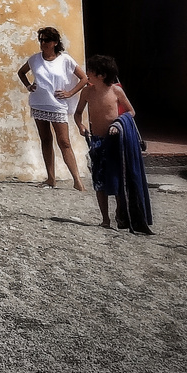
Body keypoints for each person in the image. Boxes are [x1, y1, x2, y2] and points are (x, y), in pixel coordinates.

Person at [74, 53, 142, 229]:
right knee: (99, 181)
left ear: (101, 75)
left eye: (90, 71)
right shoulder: (87, 92)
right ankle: (105, 219)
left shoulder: (116, 91)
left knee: (117, 179)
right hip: (97, 142)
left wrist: (119, 124)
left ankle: (120, 212)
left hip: (115, 141)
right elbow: (78, 112)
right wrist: (81, 126)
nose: (87, 73)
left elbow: (131, 112)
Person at [16, 26, 87, 189]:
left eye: (46, 40)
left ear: (55, 42)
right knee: (46, 140)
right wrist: (28, 86)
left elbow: (83, 78)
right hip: (39, 102)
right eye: (41, 39)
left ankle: (77, 180)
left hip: (58, 105)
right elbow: (21, 72)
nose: (43, 43)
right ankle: (50, 178)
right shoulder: (34, 59)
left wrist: (70, 93)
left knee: (64, 142)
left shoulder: (65, 60)